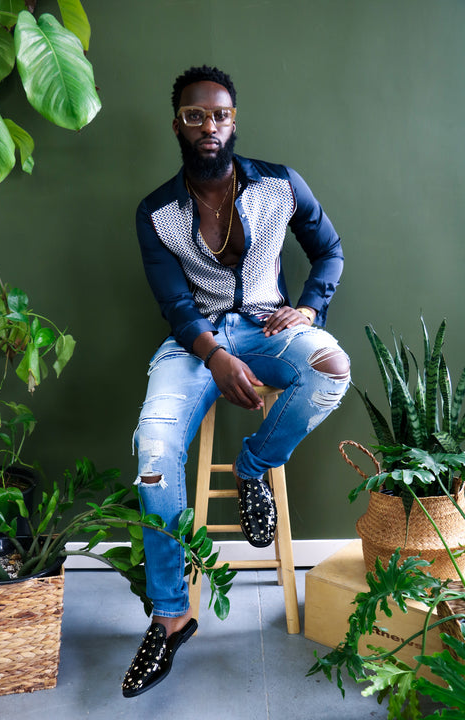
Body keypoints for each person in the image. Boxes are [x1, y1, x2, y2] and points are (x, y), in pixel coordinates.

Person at [122, 65, 350, 697]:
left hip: (266, 323)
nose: (209, 126)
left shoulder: (279, 185)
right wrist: (213, 357)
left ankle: (254, 466)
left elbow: (328, 248)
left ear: (233, 120)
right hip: (193, 343)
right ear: (178, 125)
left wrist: (309, 308)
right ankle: (171, 614)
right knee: (153, 450)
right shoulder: (156, 213)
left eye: (219, 114)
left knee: (332, 368)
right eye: (196, 116)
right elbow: (173, 302)